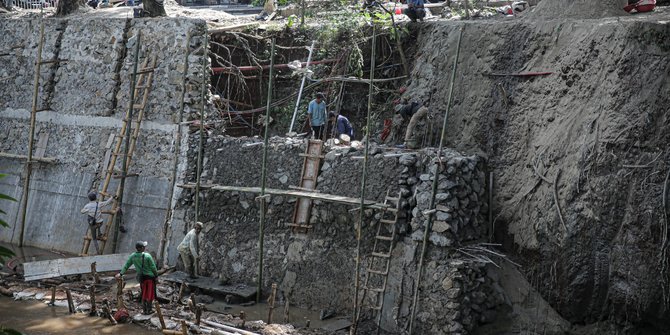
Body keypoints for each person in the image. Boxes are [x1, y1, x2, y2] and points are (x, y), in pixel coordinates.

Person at [115, 241, 158, 315]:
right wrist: (156, 276)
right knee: (150, 293)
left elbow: (127, 265)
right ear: (141, 248)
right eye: (144, 246)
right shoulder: (147, 256)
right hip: (150, 278)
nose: (145, 247)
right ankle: (149, 310)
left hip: (142, 278)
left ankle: (144, 310)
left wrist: (121, 273)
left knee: (144, 293)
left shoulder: (133, 256)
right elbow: (153, 267)